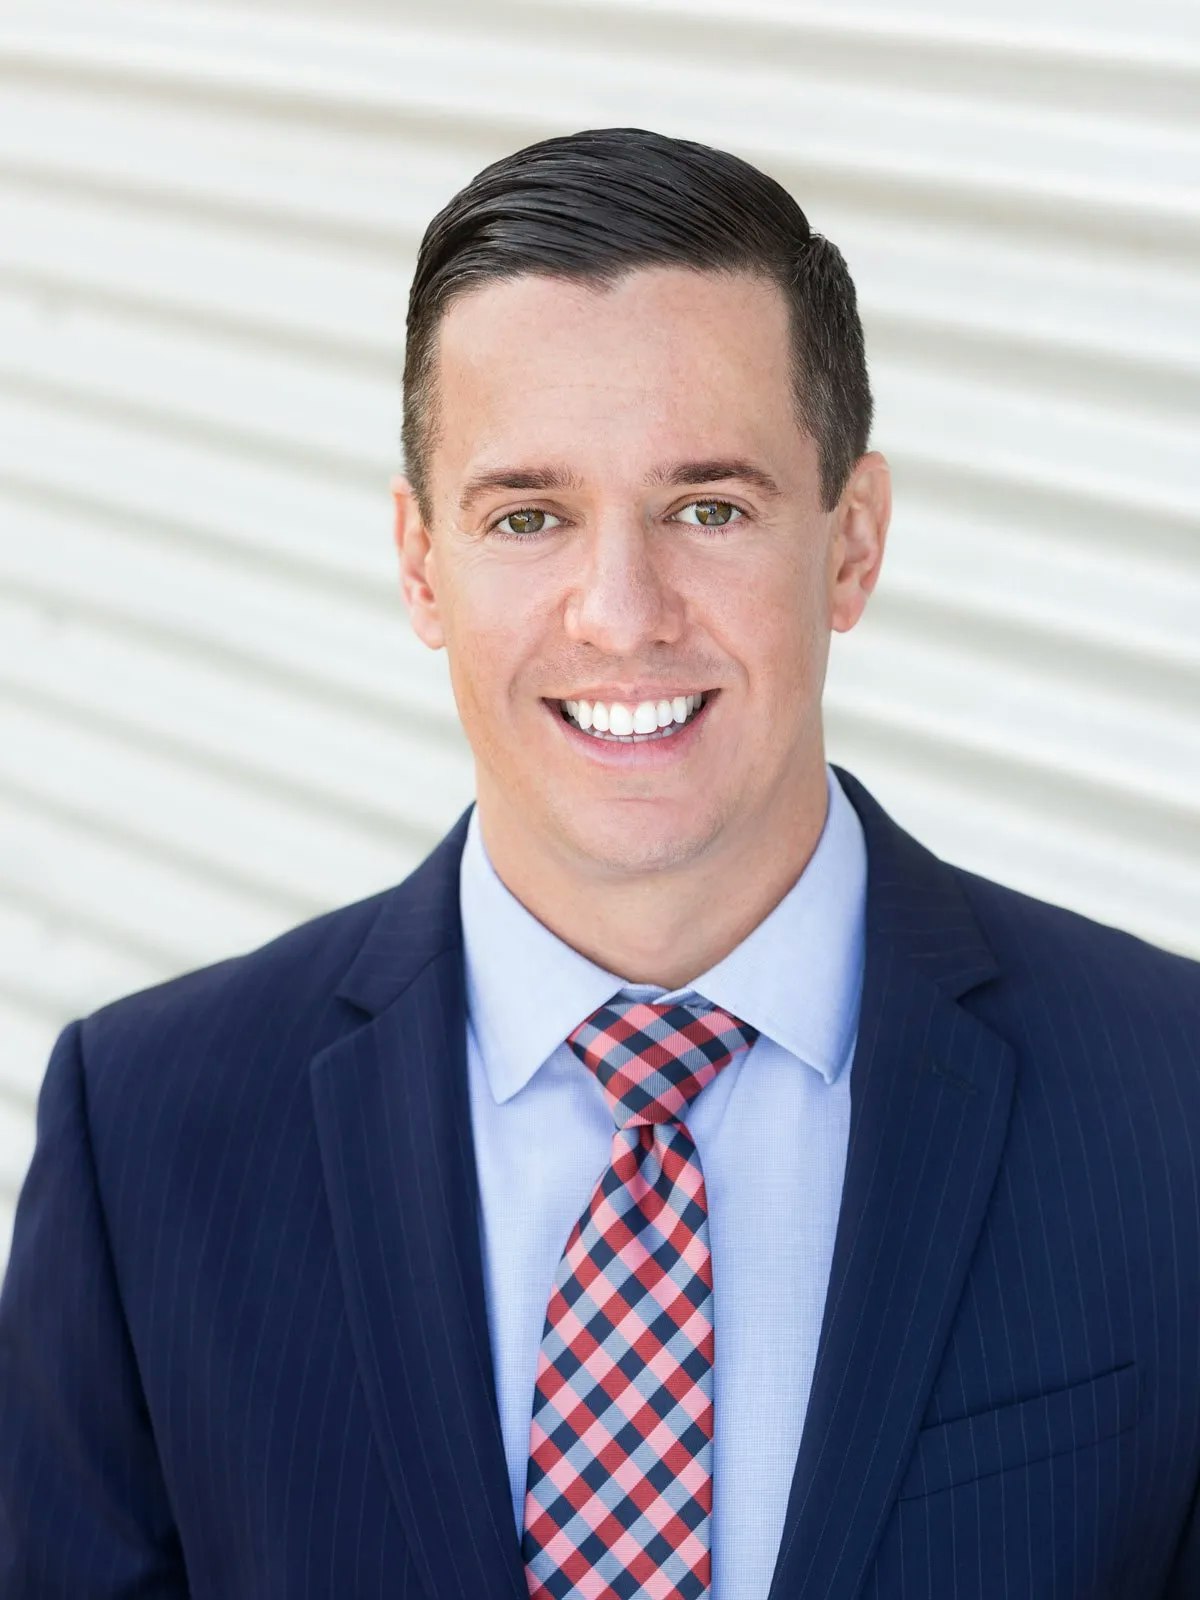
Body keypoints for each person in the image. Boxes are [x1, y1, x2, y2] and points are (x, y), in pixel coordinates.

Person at [0, 125, 1197, 1600]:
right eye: (529, 517)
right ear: (422, 563)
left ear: (853, 544)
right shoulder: (150, 1142)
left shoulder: (1171, 1103)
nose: (621, 614)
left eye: (709, 507)